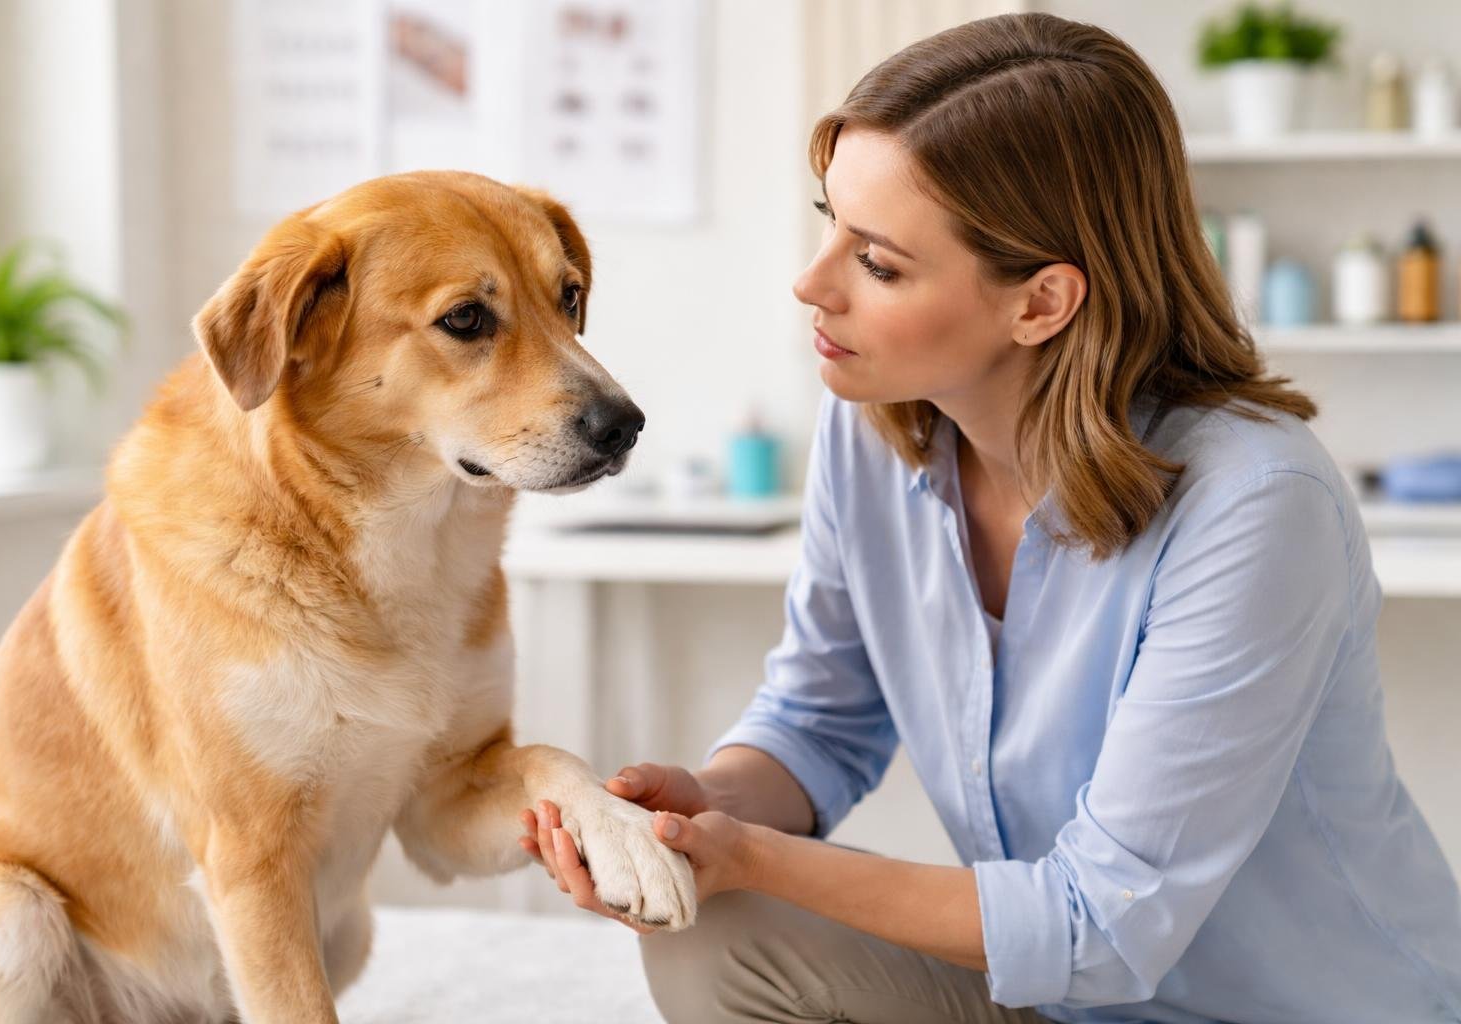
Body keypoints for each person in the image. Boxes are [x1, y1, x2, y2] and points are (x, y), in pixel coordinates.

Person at [519, 13, 1461, 1023]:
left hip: (1290, 1011)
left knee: (749, 887)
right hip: (1070, 1002)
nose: (812, 281)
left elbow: (1100, 926)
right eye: (827, 221)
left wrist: (754, 857)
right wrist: (708, 810)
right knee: (716, 931)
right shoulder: (873, 433)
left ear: (1042, 302)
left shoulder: (1259, 506)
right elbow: (819, 720)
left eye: (877, 263)